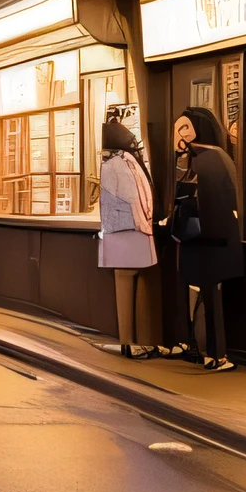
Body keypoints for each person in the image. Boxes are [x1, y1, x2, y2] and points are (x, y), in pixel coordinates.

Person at [173, 106, 242, 372]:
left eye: (185, 128)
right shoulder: (218, 157)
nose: (180, 135)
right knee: (210, 299)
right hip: (215, 241)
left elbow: (188, 198)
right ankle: (212, 354)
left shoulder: (201, 160)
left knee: (205, 299)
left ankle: (209, 353)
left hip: (204, 242)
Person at [97, 118, 156, 358]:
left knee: (124, 290)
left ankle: (128, 343)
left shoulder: (113, 164)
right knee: (138, 288)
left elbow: (114, 203)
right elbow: (137, 197)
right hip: (136, 231)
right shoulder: (128, 162)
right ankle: (138, 343)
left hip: (121, 233)